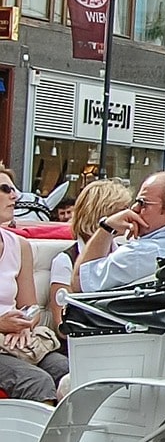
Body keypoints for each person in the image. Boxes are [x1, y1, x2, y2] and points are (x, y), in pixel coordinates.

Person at [0, 167, 70, 404]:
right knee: (37, 382)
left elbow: (30, 307)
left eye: (14, 189)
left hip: (16, 339)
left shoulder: (19, 245)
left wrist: (24, 324)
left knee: (70, 371)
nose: (15, 196)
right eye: (5, 189)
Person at [75, 171, 165, 292]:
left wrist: (107, 227)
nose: (134, 208)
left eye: (143, 203)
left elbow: (79, 283)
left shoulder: (140, 252)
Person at [49, 179, 132, 333]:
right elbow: (61, 326)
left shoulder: (125, 253)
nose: (131, 215)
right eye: (124, 209)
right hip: (86, 342)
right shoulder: (66, 259)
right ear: (103, 213)